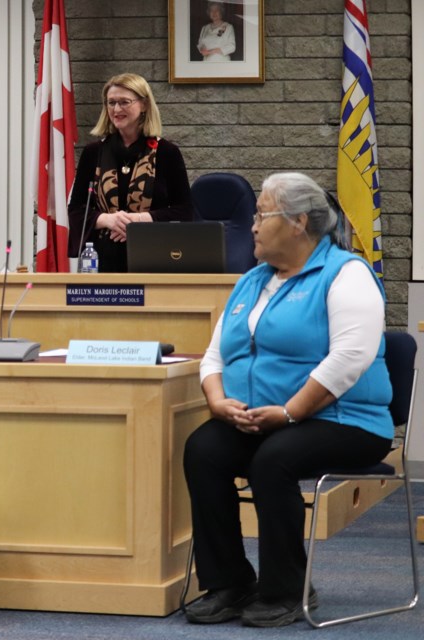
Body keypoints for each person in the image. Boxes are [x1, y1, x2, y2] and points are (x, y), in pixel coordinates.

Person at [182, 172, 393, 628]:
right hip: (262, 418)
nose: (252, 225)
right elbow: (215, 353)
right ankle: (229, 583)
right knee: (204, 449)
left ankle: (286, 589)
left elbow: (350, 358)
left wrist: (290, 411)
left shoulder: (346, 273)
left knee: (273, 460)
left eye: (262, 214)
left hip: (346, 420)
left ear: (298, 222)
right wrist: (218, 402)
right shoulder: (252, 280)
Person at [67, 73, 193, 272]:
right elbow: (75, 210)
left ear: (143, 104)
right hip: (102, 261)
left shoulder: (167, 152)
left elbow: (185, 211)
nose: (116, 109)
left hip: (154, 259)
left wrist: (138, 221)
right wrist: (109, 220)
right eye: (111, 103)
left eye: (124, 102)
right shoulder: (93, 153)